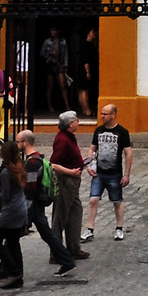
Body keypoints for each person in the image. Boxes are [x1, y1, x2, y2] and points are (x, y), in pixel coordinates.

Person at [14, 130, 75, 274]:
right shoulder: (37, 158)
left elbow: (31, 186)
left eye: (18, 142)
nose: (17, 145)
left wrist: (26, 208)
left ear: (25, 143)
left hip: (32, 205)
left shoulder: (32, 163)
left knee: (11, 236)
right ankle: (67, 261)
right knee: (47, 233)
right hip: (37, 204)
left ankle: (7, 268)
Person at [83, 101, 133, 242]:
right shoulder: (99, 130)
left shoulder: (122, 132)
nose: (102, 116)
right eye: (101, 113)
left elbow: (128, 153)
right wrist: (89, 165)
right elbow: (92, 149)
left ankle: (119, 228)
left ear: (113, 115)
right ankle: (89, 229)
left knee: (117, 201)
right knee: (93, 200)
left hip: (114, 173)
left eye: (105, 114)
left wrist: (127, 174)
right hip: (99, 173)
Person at [0, 141, 32, 289]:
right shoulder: (20, 168)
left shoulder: (6, 173)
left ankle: (13, 271)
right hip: (21, 209)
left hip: (10, 211)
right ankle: (18, 275)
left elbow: (4, 195)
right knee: (13, 243)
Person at [51, 111, 91, 259]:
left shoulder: (69, 137)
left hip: (73, 182)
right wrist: (70, 172)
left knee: (75, 212)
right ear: (69, 124)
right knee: (59, 217)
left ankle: (74, 248)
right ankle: (56, 253)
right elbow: (53, 164)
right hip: (65, 181)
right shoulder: (62, 140)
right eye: (76, 120)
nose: (78, 121)